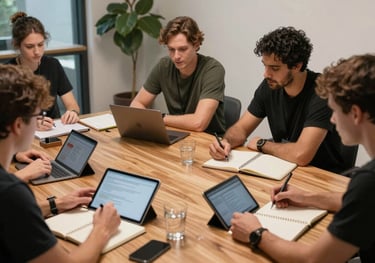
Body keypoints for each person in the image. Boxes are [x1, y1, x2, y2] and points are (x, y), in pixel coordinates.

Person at [230, 54, 375, 263]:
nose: (332, 120)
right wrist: (307, 198)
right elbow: (358, 201)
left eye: (334, 111)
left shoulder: (368, 181)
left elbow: (314, 260)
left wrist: (256, 233)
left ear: (355, 113)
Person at [0, 64, 120, 262]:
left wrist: (56, 204)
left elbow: (11, 216)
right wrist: (102, 230)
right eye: (37, 117)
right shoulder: (11, 193)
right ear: (18, 125)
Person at [209, 26, 354, 173]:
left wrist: (262, 144)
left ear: (297, 66)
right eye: (265, 66)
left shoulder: (322, 92)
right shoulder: (270, 86)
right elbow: (241, 128)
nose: (266, 74)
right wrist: (226, 142)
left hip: (322, 176)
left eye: (275, 68)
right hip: (284, 168)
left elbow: (301, 155)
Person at [130, 16, 226, 135]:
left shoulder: (213, 69)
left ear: (196, 45)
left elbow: (199, 123)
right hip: (177, 136)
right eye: (171, 49)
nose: (176, 56)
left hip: (210, 142)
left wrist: (160, 118)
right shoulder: (164, 66)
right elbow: (136, 104)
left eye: (182, 49)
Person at [7, 11, 80, 131]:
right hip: (21, 137)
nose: (37, 51)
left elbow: (73, 105)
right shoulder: (8, 73)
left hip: (53, 131)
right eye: (30, 47)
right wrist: (30, 125)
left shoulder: (53, 65)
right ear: (17, 45)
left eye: (40, 44)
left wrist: (72, 112)